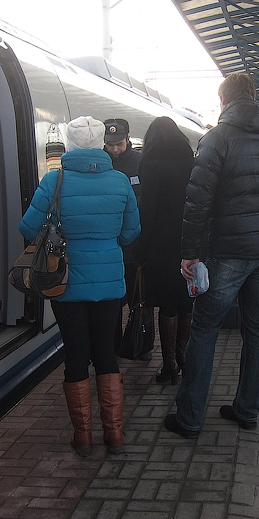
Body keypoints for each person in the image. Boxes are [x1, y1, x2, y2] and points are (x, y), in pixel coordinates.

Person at [164, 72, 259, 438]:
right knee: (257, 325)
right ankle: (247, 410)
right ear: (253, 98)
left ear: (223, 100)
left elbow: (197, 202)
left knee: (205, 328)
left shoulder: (216, 139)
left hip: (229, 251)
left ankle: (189, 418)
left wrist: (190, 253)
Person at [19, 116, 140, 455]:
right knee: (105, 353)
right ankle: (114, 435)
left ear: (69, 145)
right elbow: (132, 231)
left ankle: (83, 437)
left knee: (75, 354)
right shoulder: (120, 181)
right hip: (109, 282)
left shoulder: (54, 180)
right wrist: (107, 242)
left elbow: (27, 227)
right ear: (101, 143)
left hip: (66, 281)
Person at [137, 117, 195, 385]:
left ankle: (169, 364)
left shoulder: (149, 165)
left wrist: (141, 248)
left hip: (160, 243)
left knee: (168, 303)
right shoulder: (191, 163)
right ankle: (184, 358)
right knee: (186, 299)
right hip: (188, 239)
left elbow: (148, 210)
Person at [103, 118, 145, 353]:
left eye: (119, 144)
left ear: (128, 139)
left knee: (136, 296)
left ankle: (139, 343)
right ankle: (113, 344)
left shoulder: (140, 162)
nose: (115, 149)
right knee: (112, 301)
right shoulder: (100, 163)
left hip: (133, 245)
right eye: (110, 145)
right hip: (110, 245)